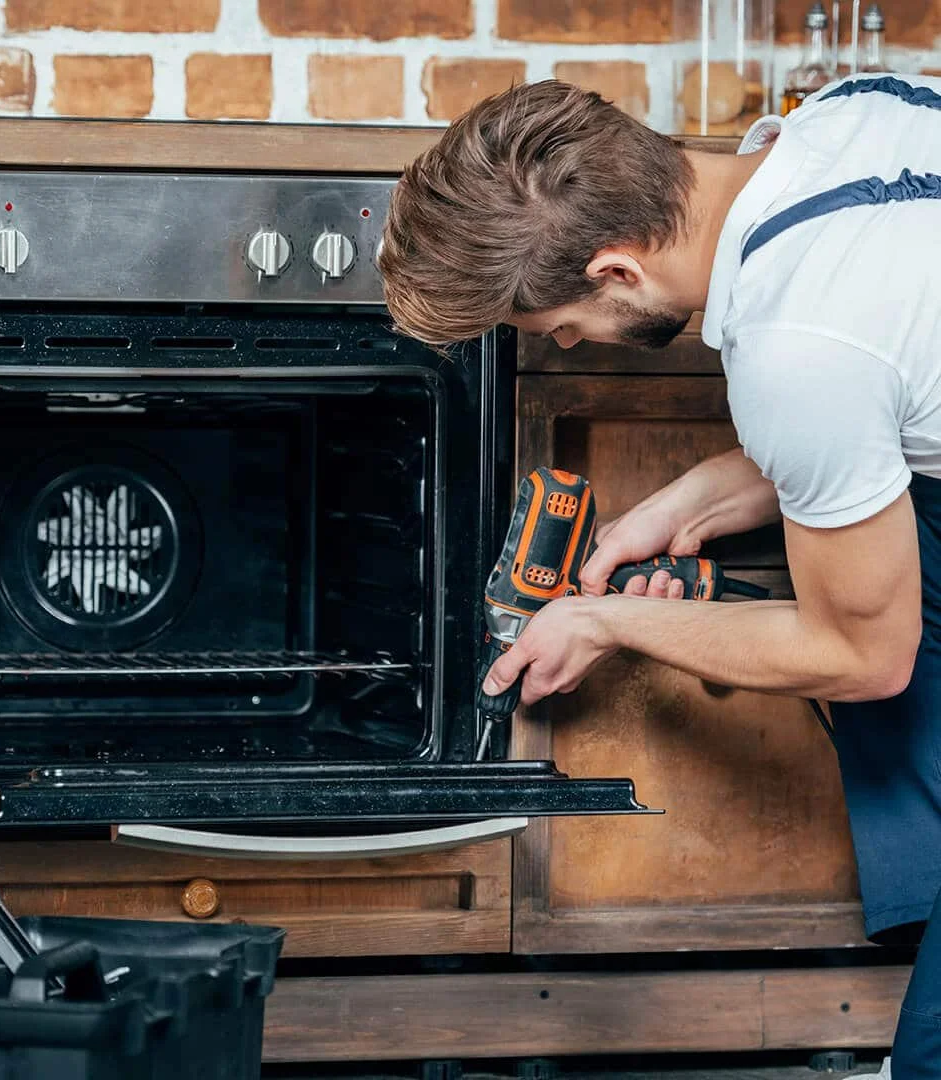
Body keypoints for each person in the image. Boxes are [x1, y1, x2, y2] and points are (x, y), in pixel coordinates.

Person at [376, 73, 941, 1078]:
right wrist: (683, 506)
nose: (563, 342)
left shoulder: (795, 351)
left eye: (556, 324)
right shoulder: (855, 111)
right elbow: (881, 390)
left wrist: (607, 624)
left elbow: (863, 654)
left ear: (615, 269)